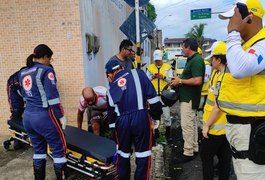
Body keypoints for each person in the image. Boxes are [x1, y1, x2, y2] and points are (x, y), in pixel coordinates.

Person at [217, 0, 265, 179]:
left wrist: (233, 33)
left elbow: (239, 69)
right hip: (243, 132)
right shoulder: (246, 46)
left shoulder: (262, 43)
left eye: (235, 18)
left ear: (249, 18)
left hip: (254, 132)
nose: (230, 24)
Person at [105, 59, 163, 179]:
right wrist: (155, 117)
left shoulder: (110, 90)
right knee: (143, 155)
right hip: (141, 118)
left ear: (110, 74)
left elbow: (111, 120)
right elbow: (154, 100)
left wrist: (115, 136)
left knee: (123, 154)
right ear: (120, 68)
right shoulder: (138, 73)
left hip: (122, 122)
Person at [19, 44, 68, 180]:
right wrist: (61, 116)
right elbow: (53, 98)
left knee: (39, 151)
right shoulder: (46, 71)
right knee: (59, 150)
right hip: (44, 117)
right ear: (45, 57)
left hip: (28, 117)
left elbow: (23, 95)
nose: (49, 62)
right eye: (50, 59)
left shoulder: (23, 73)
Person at [200, 41, 232, 180]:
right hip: (223, 128)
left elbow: (218, 106)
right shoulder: (218, 73)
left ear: (219, 60)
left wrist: (206, 126)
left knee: (206, 158)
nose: (210, 61)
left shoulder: (224, 77)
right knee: (224, 160)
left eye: (212, 58)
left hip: (215, 128)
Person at [171, 38, 205, 163]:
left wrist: (180, 81)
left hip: (189, 98)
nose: (182, 49)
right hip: (188, 97)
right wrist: (179, 79)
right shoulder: (192, 60)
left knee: (187, 126)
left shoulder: (196, 60)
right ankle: (194, 148)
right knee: (192, 124)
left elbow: (197, 80)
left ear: (188, 47)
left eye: (183, 47)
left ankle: (188, 152)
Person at [146, 49, 174, 144]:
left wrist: (163, 77)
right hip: (154, 95)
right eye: (156, 60)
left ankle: (168, 135)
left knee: (166, 116)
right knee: (155, 116)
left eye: (159, 59)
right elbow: (146, 80)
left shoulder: (168, 67)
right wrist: (152, 77)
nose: (157, 61)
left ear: (162, 58)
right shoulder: (150, 68)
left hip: (165, 95)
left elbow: (171, 80)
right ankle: (155, 134)